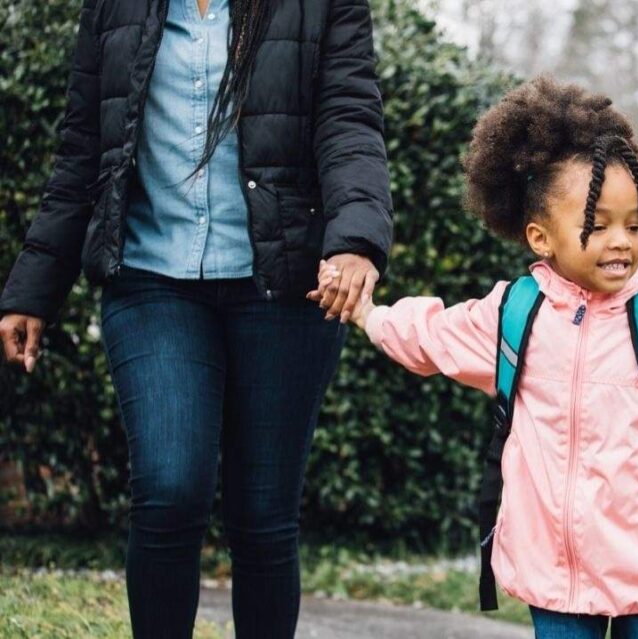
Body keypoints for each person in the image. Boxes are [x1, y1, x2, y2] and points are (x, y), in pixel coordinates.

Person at [311, 76, 638, 639]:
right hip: (554, 574)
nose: (621, 241)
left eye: (633, 224)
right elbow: (434, 337)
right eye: (597, 224)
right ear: (542, 238)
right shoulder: (517, 315)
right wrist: (370, 313)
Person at [0, 1, 391, 637]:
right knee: (169, 487)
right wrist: (32, 289)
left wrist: (354, 240)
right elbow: (83, 148)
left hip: (284, 287)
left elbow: (349, 121)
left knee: (263, 515)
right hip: (151, 280)